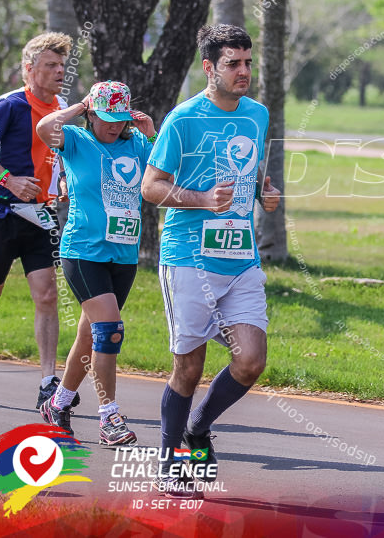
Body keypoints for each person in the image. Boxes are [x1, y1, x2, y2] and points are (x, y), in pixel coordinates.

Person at [141, 24, 280, 497]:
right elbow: (151, 186)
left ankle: (197, 428)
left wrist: (263, 192)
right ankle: (167, 462)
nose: (244, 71)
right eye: (233, 64)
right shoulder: (183, 120)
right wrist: (202, 199)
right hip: (189, 257)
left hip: (240, 256)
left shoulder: (258, 114)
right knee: (189, 367)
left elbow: (252, 167)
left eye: (247, 62)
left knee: (250, 361)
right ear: (209, 68)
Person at [0, 32, 79, 409]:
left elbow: (61, 155)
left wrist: (61, 182)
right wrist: (9, 178)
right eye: (50, 65)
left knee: (46, 295)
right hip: (2, 212)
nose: (59, 71)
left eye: (62, 65)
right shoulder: (9, 105)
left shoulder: (63, 107)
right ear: (29, 70)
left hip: (40, 217)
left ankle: (48, 381)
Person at [35, 81, 155, 445]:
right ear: (91, 113)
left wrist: (153, 133)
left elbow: (168, 172)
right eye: (105, 117)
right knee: (110, 331)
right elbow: (43, 129)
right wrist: (77, 107)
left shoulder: (137, 145)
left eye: (120, 118)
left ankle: (59, 403)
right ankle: (109, 418)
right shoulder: (75, 140)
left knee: (90, 334)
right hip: (83, 251)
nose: (113, 125)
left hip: (124, 254)